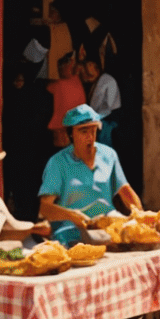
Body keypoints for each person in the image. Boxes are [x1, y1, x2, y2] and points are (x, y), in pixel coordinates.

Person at [39, 105, 143, 244]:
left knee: (133, 238)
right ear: (71, 134)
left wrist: (140, 215)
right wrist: (72, 216)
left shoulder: (109, 155)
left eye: (93, 130)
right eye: (84, 131)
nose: (90, 137)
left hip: (108, 222)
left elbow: (125, 190)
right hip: (71, 228)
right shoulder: (57, 163)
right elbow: (45, 208)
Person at [45, 51, 84, 148]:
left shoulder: (63, 83)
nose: (61, 69)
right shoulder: (64, 83)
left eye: (65, 65)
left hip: (67, 125)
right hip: (66, 125)